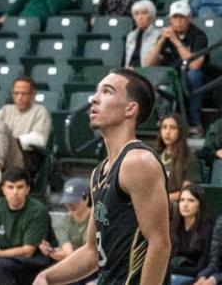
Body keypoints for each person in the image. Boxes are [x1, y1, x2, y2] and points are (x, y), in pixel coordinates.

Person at [32, 69, 170, 285]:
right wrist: (47, 276)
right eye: (96, 91)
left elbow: (160, 243)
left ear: (130, 108)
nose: (94, 99)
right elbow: (91, 251)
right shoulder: (99, 172)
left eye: (107, 92)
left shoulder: (138, 162)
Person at [143, 0, 209, 133]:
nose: (178, 21)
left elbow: (195, 65)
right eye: (175, 17)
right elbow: (148, 64)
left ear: (189, 19)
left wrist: (176, 41)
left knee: (194, 75)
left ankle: (194, 122)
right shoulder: (165, 36)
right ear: (170, 20)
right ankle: (157, 122)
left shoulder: (198, 35)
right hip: (171, 75)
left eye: (182, 17)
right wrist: (161, 41)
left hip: (193, 77)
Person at [0, 75, 51, 192]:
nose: (20, 97)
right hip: (4, 156)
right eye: (16, 93)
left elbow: (39, 140)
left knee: (1, 127)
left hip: (23, 159)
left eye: (24, 94)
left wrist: (8, 139)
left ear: (33, 95)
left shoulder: (40, 111)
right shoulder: (6, 110)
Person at [38, 178, 94, 284]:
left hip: (95, 267)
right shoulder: (63, 221)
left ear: (86, 198)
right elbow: (68, 251)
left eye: (74, 201)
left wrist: (60, 253)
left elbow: (90, 254)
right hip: (74, 265)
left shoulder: (96, 219)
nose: (70, 204)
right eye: (67, 201)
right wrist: (53, 251)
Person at [170, 185, 212, 285]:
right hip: (172, 274)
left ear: (200, 204)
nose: (185, 204)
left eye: (191, 201)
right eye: (182, 200)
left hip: (193, 278)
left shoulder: (207, 229)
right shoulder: (173, 226)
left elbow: (201, 269)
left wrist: (172, 269)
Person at [156, 114, 201, 203]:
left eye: (173, 128)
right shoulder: (154, 156)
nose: (167, 132)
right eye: (164, 127)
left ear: (180, 132)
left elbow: (187, 191)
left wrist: (161, 201)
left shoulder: (189, 158)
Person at [124, 0, 161, 68]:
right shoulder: (130, 36)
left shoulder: (158, 35)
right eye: (136, 14)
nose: (140, 17)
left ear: (151, 16)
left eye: (144, 13)